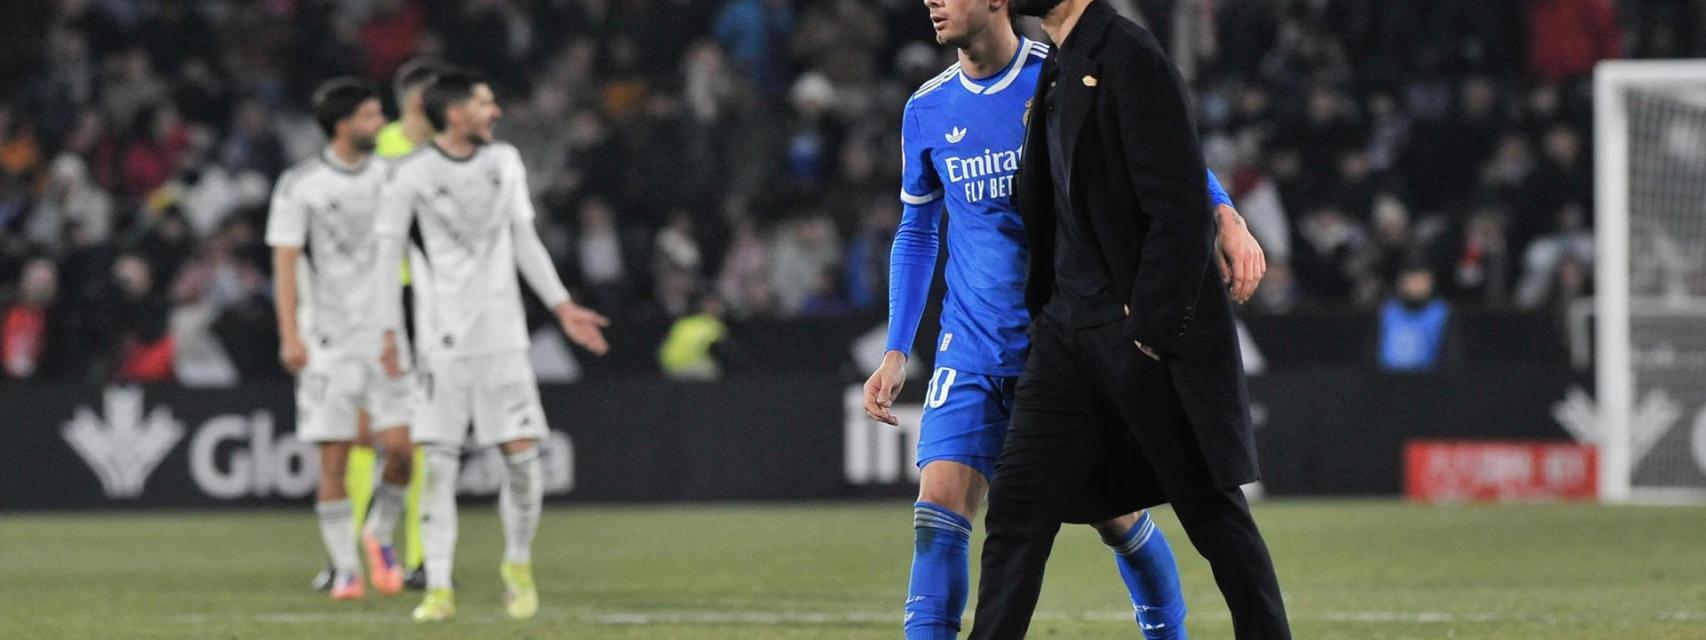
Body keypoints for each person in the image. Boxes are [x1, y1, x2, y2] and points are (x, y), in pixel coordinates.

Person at [864, 1, 1266, 637]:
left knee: (1116, 517)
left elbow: (1158, 149)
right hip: (968, 346)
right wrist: (896, 346)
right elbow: (917, 230)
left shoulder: (1055, 76)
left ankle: (1167, 631)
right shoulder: (926, 109)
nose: (931, 1)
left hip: (1057, 345)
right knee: (938, 514)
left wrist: (1224, 212)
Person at [373, 70, 611, 622]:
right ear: (455, 113)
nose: (495, 110)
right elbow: (387, 259)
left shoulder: (503, 162)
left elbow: (523, 240)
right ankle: (436, 585)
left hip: (504, 338)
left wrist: (561, 306)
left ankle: (518, 567)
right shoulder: (410, 174)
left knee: (524, 462)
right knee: (437, 468)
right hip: (441, 343)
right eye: (484, 101)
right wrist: (389, 331)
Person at [266, 79, 414, 601]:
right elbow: (284, 261)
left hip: (385, 335)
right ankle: (345, 567)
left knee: (401, 451)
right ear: (343, 124)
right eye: (372, 117)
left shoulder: (394, 178)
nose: (381, 125)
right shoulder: (300, 185)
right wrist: (290, 335)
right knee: (332, 458)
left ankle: (379, 532)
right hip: (327, 338)